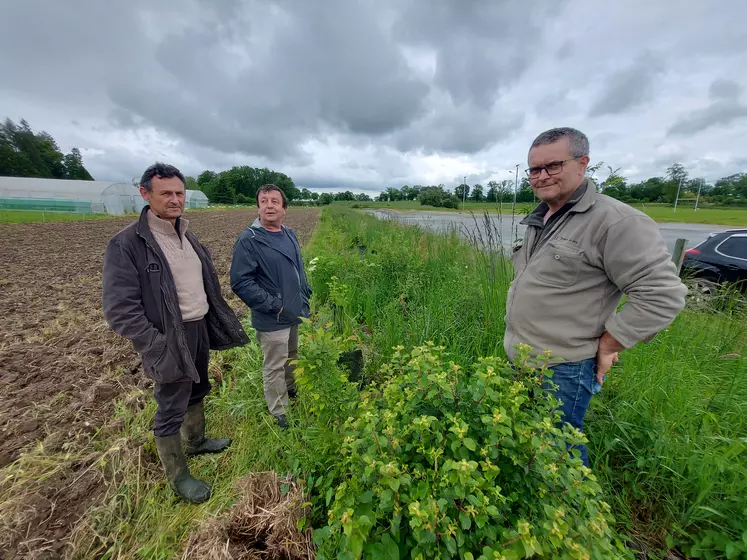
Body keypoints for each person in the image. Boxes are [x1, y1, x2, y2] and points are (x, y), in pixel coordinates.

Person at [504, 127, 687, 466]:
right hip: (523, 358)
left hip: (562, 368)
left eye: (553, 165)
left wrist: (609, 344)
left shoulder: (616, 222)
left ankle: (576, 515)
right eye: (534, 169)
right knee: (530, 442)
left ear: (582, 163)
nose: (541, 176)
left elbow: (662, 295)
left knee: (560, 454)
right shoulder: (541, 218)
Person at [102, 162, 249, 503]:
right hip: (168, 337)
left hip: (198, 329)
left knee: (198, 387)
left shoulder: (186, 234)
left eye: (179, 193)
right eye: (165, 193)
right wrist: (156, 343)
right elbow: (119, 309)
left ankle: (196, 442)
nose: (174, 199)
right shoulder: (127, 244)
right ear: (145, 194)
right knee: (171, 404)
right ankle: (179, 476)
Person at [230, 184, 312, 429]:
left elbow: (298, 270)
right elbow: (240, 281)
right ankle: (280, 411)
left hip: (294, 311)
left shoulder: (289, 234)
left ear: (284, 208)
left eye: (274, 201)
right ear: (258, 207)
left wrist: (305, 297)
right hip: (272, 316)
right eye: (263, 201)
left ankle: (290, 390)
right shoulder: (250, 239)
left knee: (292, 356)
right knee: (274, 364)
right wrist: (274, 306)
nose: (269, 205)